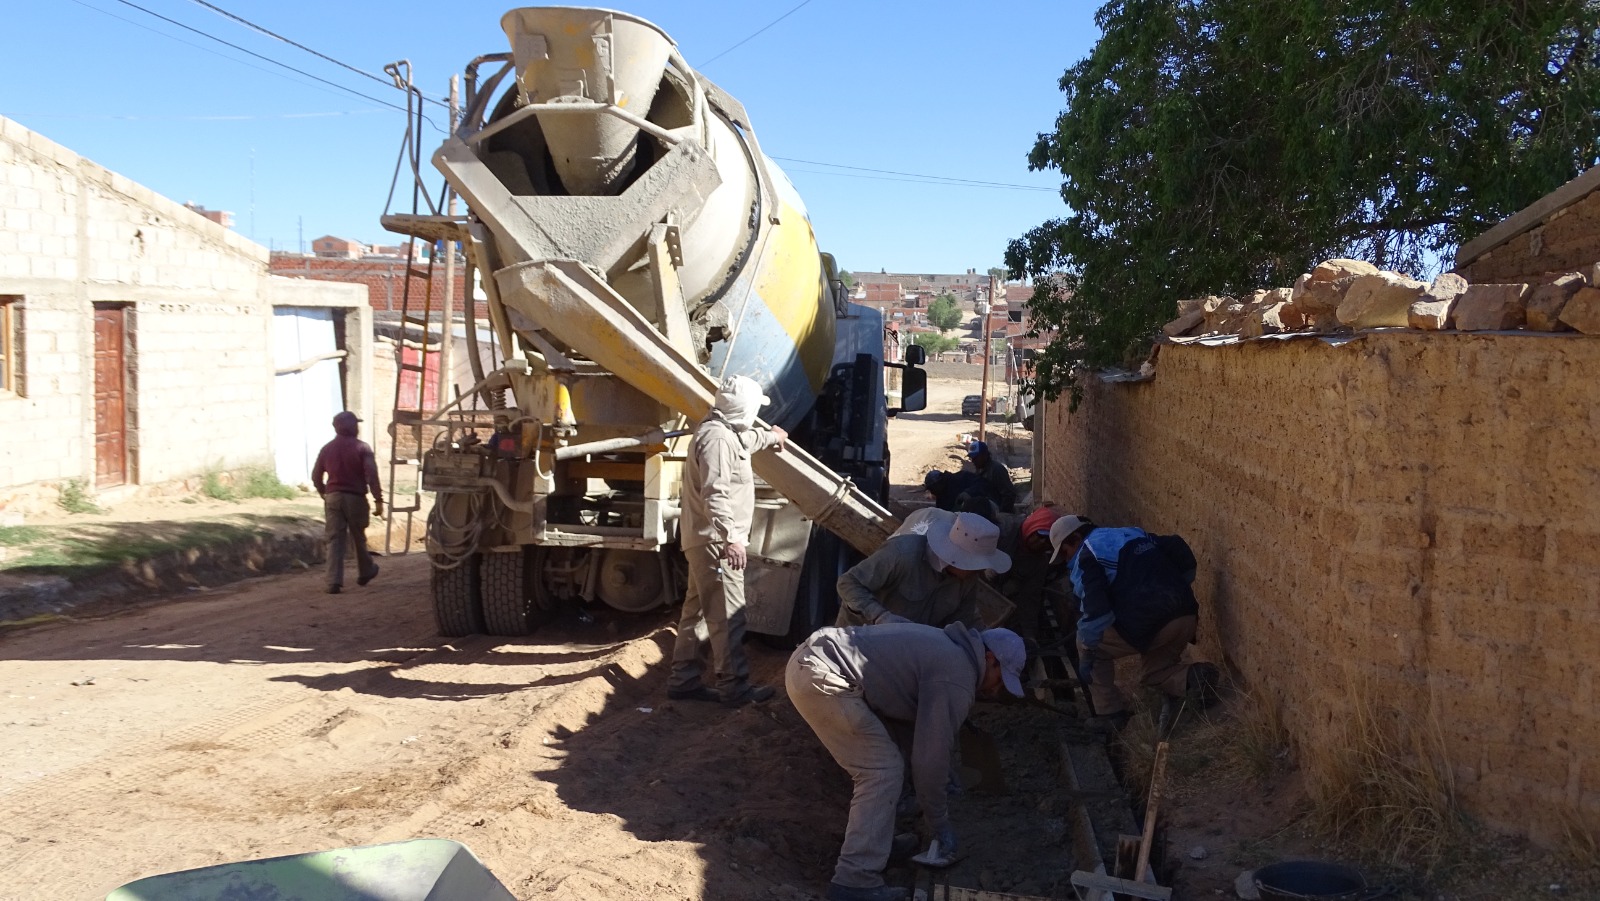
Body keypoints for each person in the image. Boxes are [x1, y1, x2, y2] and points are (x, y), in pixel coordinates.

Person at [787, 622, 1028, 901]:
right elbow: (928, 761)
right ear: (990, 658)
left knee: (887, 761)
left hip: (815, 662)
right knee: (882, 771)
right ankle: (854, 881)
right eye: (1001, 678)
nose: (997, 688)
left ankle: (876, 847)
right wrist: (939, 823)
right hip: (822, 676)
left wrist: (942, 769)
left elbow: (911, 729)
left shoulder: (949, 650)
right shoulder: (957, 677)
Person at [669, 375, 788, 707]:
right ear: (745, 408)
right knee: (728, 614)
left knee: (696, 612)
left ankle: (683, 679)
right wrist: (732, 538)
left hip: (705, 541)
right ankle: (735, 686)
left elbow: (746, 441)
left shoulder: (722, 432)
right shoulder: (717, 439)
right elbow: (716, 494)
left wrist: (772, 436)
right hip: (716, 543)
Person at [1048, 515, 1218, 727]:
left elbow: (1096, 613)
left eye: (1064, 553)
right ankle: (1195, 676)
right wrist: (1176, 589)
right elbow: (1178, 546)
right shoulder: (1131, 533)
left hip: (1151, 624)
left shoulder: (1087, 554)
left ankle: (1109, 714)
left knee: (1086, 642)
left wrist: (1088, 654)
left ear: (1075, 538)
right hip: (1186, 617)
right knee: (1153, 675)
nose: (1066, 560)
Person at [836, 511, 1010, 628]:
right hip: (857, 636)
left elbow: (963, 621)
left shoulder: (967, 579)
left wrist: (986, 640)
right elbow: (848, 583)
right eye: (975, 565)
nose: (978, 571)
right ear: (958, 559)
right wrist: (879, 615)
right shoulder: (902, 554)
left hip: (902, 649)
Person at [311, 410, 383, 595]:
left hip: (333, 497)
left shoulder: (327, 449)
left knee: (334, 539)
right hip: (355, 497)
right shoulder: (362, 448)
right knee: (358, 536)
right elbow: (372, 474)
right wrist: (378, 499)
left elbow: (316, 476)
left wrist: (324, 493)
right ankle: (365, 570)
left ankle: (333, 581)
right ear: (352, 427)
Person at [989, 505, 1066, 640]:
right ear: (1033, 526)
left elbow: (1030, 600)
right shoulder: (1003, 531)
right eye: (1041, 535)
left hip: (999, 598)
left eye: (1049, 541)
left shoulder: (1039, 563)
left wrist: (1029, 636)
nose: (1042, 542)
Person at [965, 441, 1016, 513]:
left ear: (984, 455)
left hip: (997, 512)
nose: (973, 461)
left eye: (976, 458)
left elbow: (1009, 494)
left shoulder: (997, 470)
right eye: (972, 458)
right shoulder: (980, 469)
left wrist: (1001, 513)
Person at [921, 468, 996, 512]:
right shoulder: (941, 500)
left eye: (932, 488)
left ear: (939, 483)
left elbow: (984, 483)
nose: (932, 492)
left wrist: (969, 492)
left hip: (983, 513)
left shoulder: (962, 477)